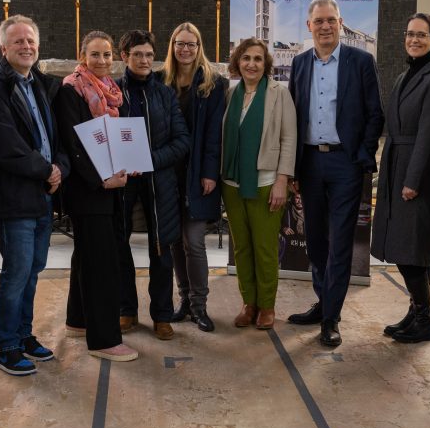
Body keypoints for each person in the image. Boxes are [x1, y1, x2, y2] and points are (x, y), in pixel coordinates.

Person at [0, 15, 68, 376]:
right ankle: (6, 344)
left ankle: (24, 334)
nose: (26, 46)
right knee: (16, 273)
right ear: (3, 48)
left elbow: (57, 137)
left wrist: (59, 167)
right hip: (15, 196)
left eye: (30, 41)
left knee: (33, 271)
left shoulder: (41, 85)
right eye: (18, 41)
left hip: (43, 194)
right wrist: (47, 170)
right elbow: (5, 146)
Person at [287, 0, 384, 348]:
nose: (325, 26)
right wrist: (292, 168)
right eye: (319, 21)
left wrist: (361, 156)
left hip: (345, 163)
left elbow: (375, 113)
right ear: (309, 26)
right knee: (315, 241)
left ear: (340, 24)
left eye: (331, 20)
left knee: (341, 242)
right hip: (310, 163)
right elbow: (293, 116)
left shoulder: (361, 61)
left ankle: (331, 318)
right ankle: (324, 301)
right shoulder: (299, 63)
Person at [370, 14, 430, 343]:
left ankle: (425, 319)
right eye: (410, 34)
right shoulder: (405, 76)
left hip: (417, 173)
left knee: (413, 250)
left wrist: (413, 180)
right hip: (397, 164)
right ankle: (416, 312)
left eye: (422, 35)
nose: (414, 40)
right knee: (407, 247)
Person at [56, 31, 139, 361]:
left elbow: (114, 138)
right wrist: (102, 180)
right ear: (82, 56)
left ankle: (77, 321)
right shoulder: (71, 90)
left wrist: (129, 161)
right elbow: (72, 144)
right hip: (88, 189)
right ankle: (104, 340)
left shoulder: (111, 91)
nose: (102, 60)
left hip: (110, 188)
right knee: (102, 264)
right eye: (95, 54)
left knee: (86, 257)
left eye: (107, 54)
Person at [116, 30, 191, 340]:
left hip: (159, 179)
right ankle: (126, 309)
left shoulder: (164, 94)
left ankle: (162, 314)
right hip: (122, 180)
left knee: (161, 248)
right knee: (119, 245)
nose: (144, 60)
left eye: (149, 55)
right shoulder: (112, 91)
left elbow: (182, 140)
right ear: (124, 56)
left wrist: (150, 159)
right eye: (138, 54)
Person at [221, 38, 297, 330]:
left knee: (264, 248)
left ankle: (266, 305)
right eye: (246, 58)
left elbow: (288, 139)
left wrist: (282, 180)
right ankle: (248, 303)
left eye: (257, 59)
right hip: (232, 182)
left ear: (266, 65)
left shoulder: (280, 93)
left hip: (266, 182)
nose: (251, 64)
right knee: (241, 248)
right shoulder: (231, 94)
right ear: (237, 62)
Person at [161, 22, 228, 332]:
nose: (185, 49)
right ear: (172, 47)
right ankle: (185, 301)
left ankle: (200, 305)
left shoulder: (213, 84)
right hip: (168, 172)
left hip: (199, 173)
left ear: (199, 47)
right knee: (176, 240)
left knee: (195, 242)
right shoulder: (161, 80)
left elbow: (215, 134)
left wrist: (210, 173)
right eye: (180, 43)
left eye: (191, 44)